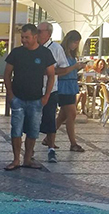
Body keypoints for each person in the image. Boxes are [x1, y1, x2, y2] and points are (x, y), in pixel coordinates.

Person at [3, 24, 55, 171]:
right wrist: (10, 94)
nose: (24, 40)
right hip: (18, 98)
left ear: (35, 37)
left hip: (36, 99)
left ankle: (27, 160)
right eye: (22, 37)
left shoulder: (45, 53)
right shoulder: (16, 52)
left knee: (33, 131)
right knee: (16, 130)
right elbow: (7, 73)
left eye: (26, 37)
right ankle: (15, 160)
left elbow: (51, 76)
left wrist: (46, 96)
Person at [35, 22, 70, 163]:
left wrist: (49, 72)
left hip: (50, 90)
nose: (37, 33)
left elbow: (64, 68)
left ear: (48, 33)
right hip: (33, 90)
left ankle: (51, 148)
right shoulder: (33, 47)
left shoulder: (56, 48)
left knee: (50, 119)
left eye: (40, 31)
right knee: (32, 119)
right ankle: (29, 149)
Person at [54, 30, 86, 153]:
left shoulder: (72, 55)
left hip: (71, 84)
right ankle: (73, 143)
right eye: (75, 42)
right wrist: (74, 67)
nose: (76, 45)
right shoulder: (62, 53)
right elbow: (61, 70)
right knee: (71, 114)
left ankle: (49, 137)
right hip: (64, 85)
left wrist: (78, 68)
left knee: (63, 115)